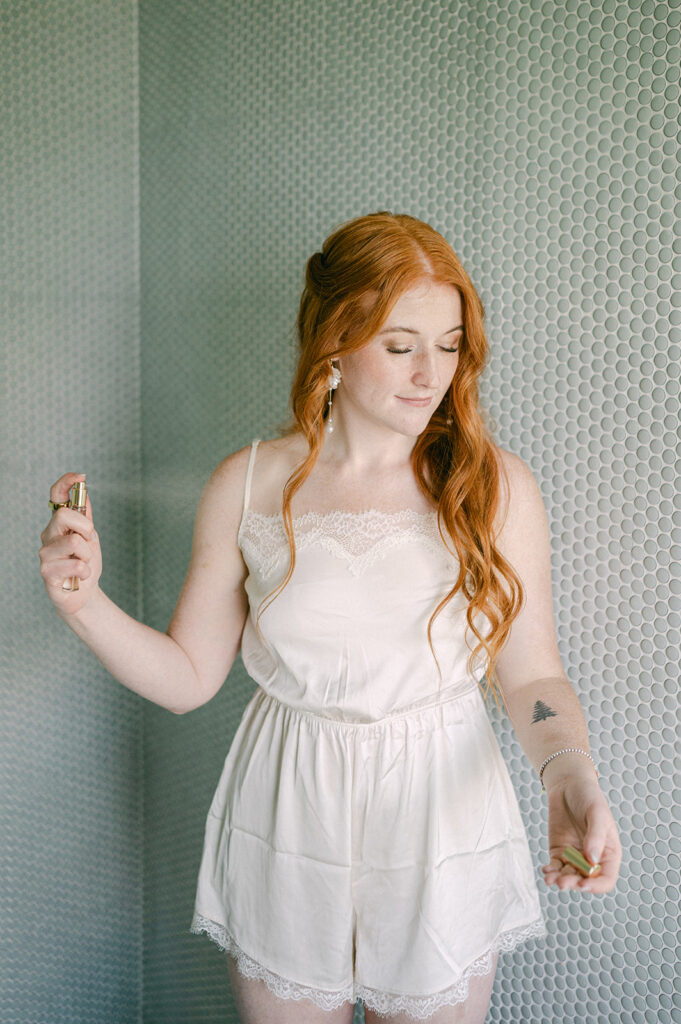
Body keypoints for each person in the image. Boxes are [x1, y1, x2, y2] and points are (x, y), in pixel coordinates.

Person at [39, 211, 622, 1024]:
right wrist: (84, 605)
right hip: (289, 804)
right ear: (334, 345)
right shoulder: (245, 483)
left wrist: (570, 775)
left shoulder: (496, 488)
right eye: (399, 344)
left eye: (449, 344)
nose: (431, 373)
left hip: (436, 812)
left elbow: (530, 671)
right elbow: (186, 678)